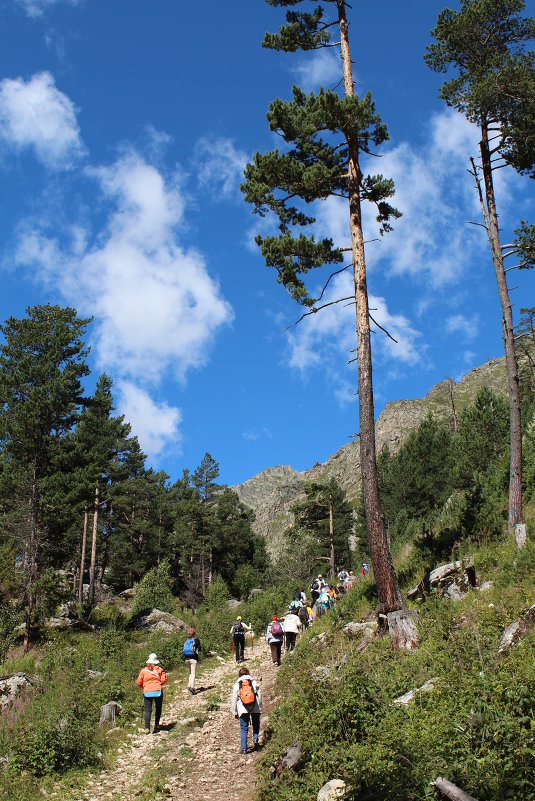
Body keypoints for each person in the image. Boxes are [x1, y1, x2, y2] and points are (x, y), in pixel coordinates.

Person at [232, 665, 262, 755]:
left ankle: (244, 748)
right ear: (248, 673)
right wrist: (260, 707)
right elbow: (259, 696)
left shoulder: (237, 684)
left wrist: (235, 712)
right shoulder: (253, 682)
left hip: (242, 708)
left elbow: (234, 699)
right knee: (256, 724)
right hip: (255, 706)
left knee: (244, 728)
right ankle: (255, 738)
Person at [136, 653, 167, 734]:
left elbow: (139, 682)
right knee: (158, 707)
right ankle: (156, 725)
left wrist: (145, 686)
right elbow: (164, 680)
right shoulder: (160, 670)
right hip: (158, 691)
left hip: (147, 691)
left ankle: (147, 728)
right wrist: (158, 683)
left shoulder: (143, 671)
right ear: (156, 661)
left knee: (148, 710)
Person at [182, 627, 201, 694]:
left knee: (190, 673)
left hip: (186, 658)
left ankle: (188, 686)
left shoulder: (186, 640)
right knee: (193, 673)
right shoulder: (196, 640)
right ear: (194, 633)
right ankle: (192, 687)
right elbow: (199, 649)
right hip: (193, 658)